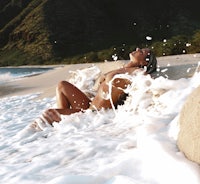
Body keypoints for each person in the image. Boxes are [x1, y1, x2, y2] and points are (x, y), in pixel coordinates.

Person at [31, 48, 157, 130]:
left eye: (142, 52)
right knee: (62, 85)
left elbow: (145, 79)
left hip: (94, 114)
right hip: (89, 105)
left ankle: (29, 137)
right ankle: (61, 126)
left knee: (50, 113)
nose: (137, 49)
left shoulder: (136, 71)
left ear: (144, 63)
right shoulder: (124, 68)